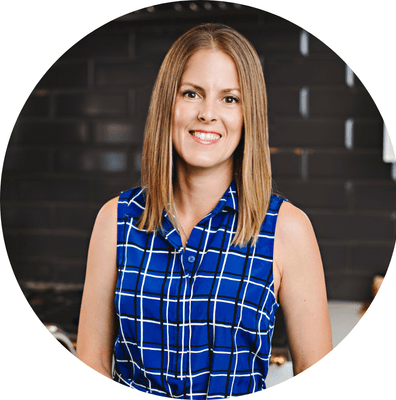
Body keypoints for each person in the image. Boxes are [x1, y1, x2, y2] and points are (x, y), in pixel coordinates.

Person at [76, 23, 332, 398]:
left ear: (249, 116)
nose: (208, 114)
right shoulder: (115, 220)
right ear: (168, 103)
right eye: (192, 93)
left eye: (230, 98)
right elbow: (92, 367)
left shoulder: (287, 230)